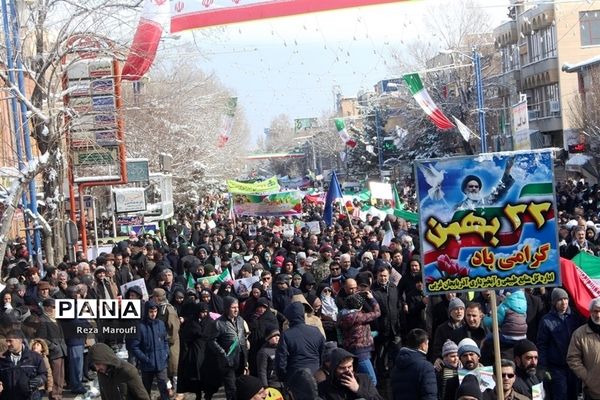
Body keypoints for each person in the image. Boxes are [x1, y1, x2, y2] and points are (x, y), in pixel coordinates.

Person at [537, 287, 584, 400]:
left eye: (565, 299)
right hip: (557, 367)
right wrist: (544, 366)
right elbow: (542, 345)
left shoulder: (575, 316)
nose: (564, 302)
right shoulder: (546, 320)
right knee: (560, 395)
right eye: (560, 299)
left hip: (574, 366)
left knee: (574, 395)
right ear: (554, 302)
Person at [275, 301, 325, 393]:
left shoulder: (286, 335)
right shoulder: (316, 331)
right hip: (316, 373)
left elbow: (281, 362)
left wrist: (284, 378)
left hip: (295, 376)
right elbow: (323, 354)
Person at [177, 302, 221, 400]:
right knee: (196, 377)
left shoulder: (211, 323)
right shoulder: (192, 322)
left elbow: (215, 336)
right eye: (202, 312)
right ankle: (198, 394)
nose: (204, 314)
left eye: (206, 312)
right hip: (195, 354)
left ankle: (208, 395)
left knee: (208, 376)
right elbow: (186, 337)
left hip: (208, 354)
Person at [129, 300, 170, 400]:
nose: (153, 314)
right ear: (147, 311)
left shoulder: (161, 324)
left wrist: (165, 353)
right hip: (147, 364)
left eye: (155, 311)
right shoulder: (140, 326)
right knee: (145, 390)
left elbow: (165, 341)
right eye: (151, 312)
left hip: (161, 363)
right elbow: (134, 347)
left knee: (164, 389)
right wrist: (145, 358)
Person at [337, 292, 381, 386]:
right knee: (372, 380)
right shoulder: (358, 316)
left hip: (349, 349)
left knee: (358, 378)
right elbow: (377, 312)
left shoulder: (341, 315)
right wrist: (372, 299)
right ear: (360, 306)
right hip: (361, 352)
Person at [213, 296, 250, 400]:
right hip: (228, 362)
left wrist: (246, 360)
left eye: (237, 307)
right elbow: (212, 341)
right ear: (227, 308)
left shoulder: (240, 320)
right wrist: (223, 353)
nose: (236, 309)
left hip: (241, 359)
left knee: (241, 387)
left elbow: (243, 337)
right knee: (231, 389)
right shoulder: (218, 323)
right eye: (233, 307)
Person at [317, 348, 383, 400]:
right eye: (342, 368)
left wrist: (358, 390)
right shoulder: (324, 388)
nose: (348, 371)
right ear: (334, 369)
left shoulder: (365, 380)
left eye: (349, 367)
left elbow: (377, 398)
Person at [567, 297, 600, 400]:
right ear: (590, 312)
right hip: (592, 390)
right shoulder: (579, 334)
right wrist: (587, 377)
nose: (598, 315)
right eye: (596, 311)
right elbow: (572, 358)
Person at [391, 328, 437, 400]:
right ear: (423, 345)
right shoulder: (426, 367)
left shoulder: (397, 366)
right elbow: (429, 395)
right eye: (427, 343)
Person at [0, 330, 47, 400]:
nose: (8, 344)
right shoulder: (2, 358)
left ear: (20, 340)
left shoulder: (35, 357)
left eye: (10, 341)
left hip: (30, 397)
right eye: (7, 341)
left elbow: (43, 374)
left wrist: (38, 380)